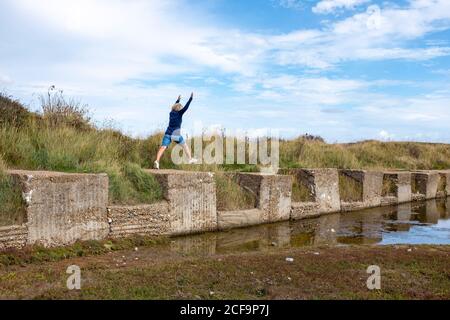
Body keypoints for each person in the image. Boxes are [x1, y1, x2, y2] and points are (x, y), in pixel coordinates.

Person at [154, 92, 198, 169]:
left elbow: (174, 106)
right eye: (180, 107)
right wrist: (190, 99)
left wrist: (178, 100)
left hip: (168, 134)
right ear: (179, 109)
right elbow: (186, 107)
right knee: (185, 146)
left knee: (163, 147)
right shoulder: (179, 113)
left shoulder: (171, 113)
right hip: (176, 135)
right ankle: (190, 159)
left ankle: (157, 161)